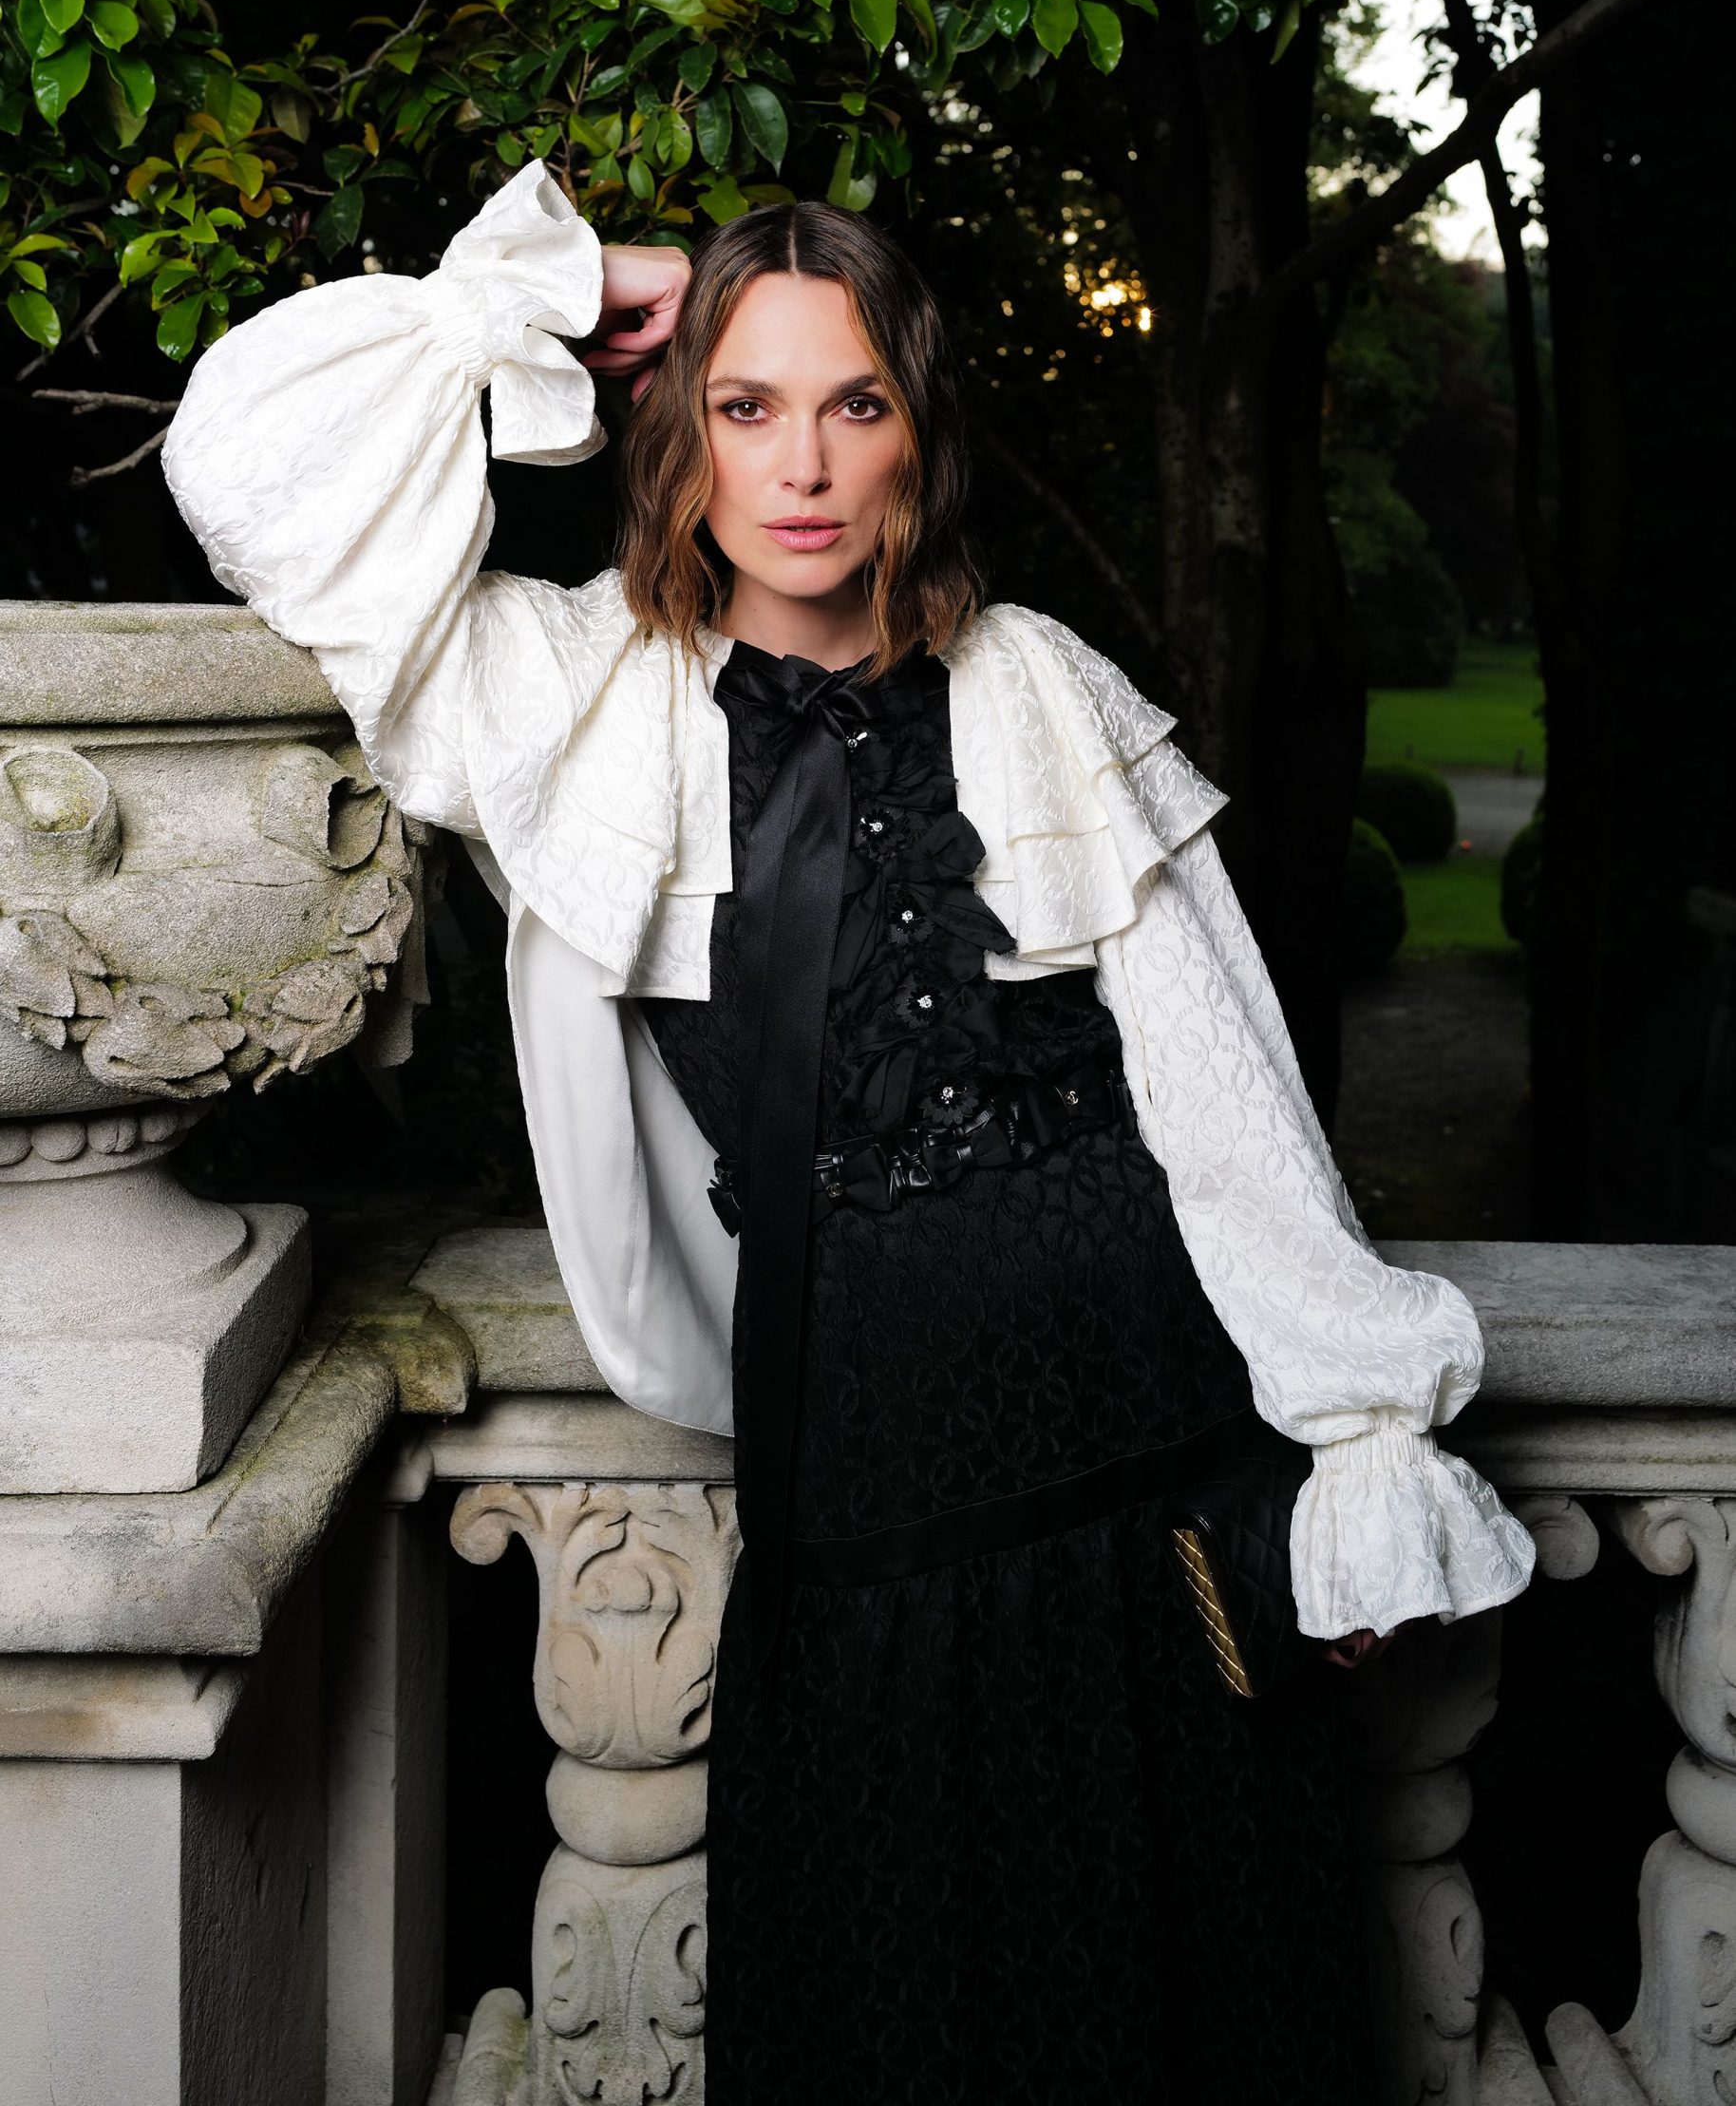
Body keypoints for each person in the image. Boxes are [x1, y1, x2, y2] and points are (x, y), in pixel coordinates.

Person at [162, 161, 1535, 2103]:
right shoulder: (569, 694)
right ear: (679, 437)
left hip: (1155, 1492)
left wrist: (1361, 1431)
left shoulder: (1037, 683)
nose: (801, 465)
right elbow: (249, 469)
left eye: (854, 401)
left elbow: (1223, 1096)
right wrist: (562, 288)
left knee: (1192, 2022)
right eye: (746, 405)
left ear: (918, 434)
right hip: (864, 1507)